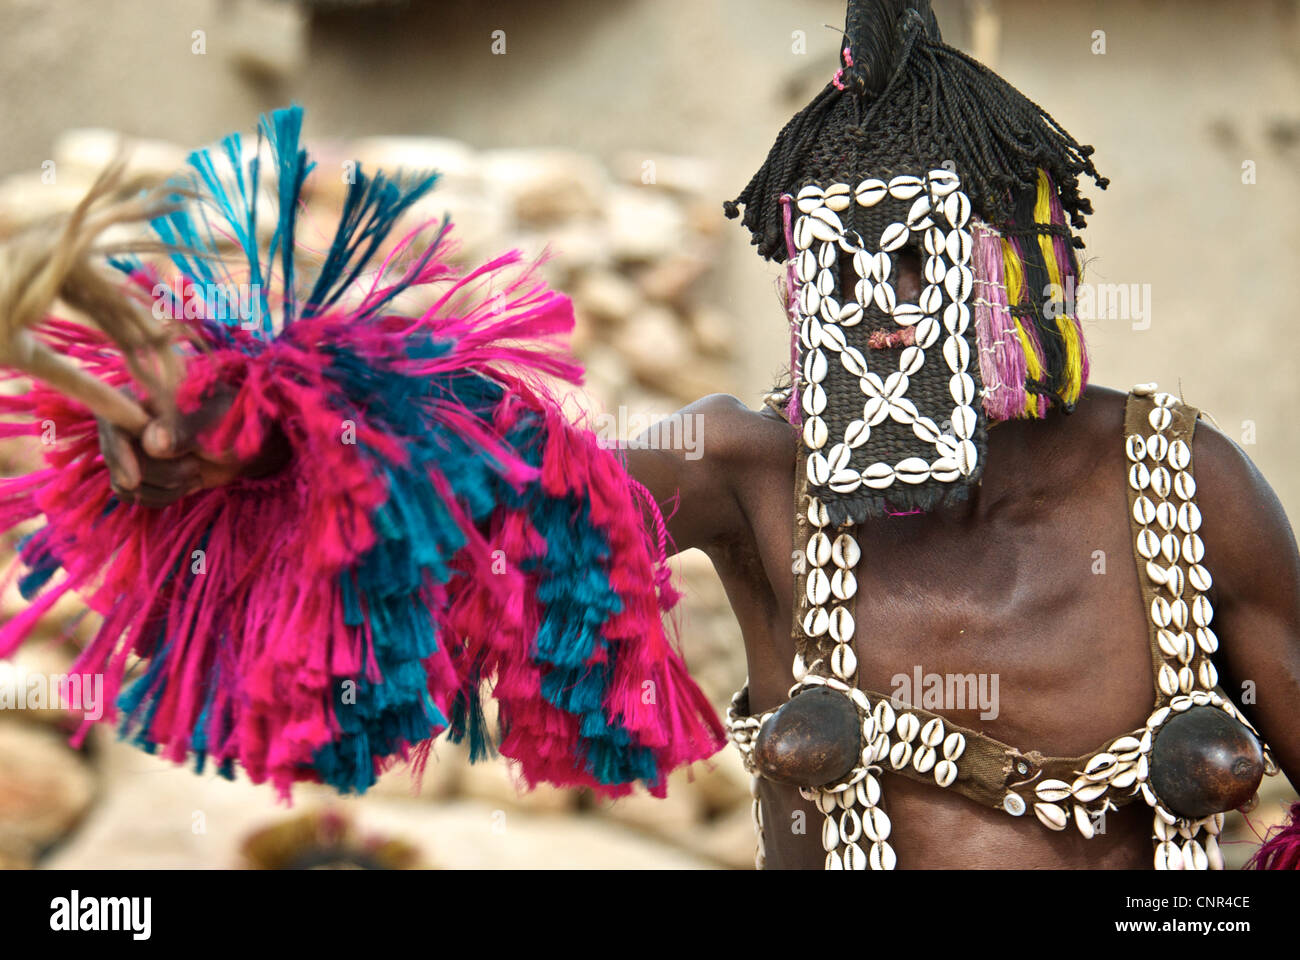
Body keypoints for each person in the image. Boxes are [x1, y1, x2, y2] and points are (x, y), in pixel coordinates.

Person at [24, 3, 1300, 869]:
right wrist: (266, 423)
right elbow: (494, 478)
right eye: (831, 274)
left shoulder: (1178, 486)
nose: (869, 316)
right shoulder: (751, 471)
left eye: (911, 265)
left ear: (1023, 270)